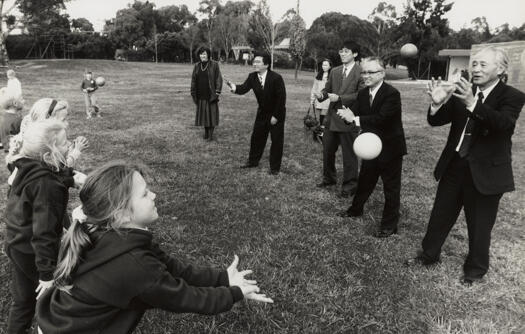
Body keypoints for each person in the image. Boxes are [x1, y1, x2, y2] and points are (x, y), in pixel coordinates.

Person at [36, 161, 273, 333]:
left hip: (62, 322)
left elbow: (174, 269)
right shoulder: (134, 265)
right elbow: (184, 297)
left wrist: (222, 278)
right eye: (145, 194)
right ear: (120, 215)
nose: (154, 195)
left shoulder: (114, 234)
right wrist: (235, 292)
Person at [407, 46, 525, 285]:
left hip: (486, 172)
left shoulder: (512, 96)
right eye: (474, 64)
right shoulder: (465, 90)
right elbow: (436, 120)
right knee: (440, 214)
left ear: (500, 69)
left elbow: (503, 124)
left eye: (483, 64)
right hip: (455, 164)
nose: (476, 69)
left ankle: (475, 270)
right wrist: (437, 104)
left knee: (480, 224)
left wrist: (474, 104)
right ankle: (429, 255)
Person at [4, 119, 75, 333]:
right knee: (53, 300)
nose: (70, 144)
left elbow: (52, 173)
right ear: (47, 156)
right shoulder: (47, 186)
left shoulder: (26, 167)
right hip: (34, 252)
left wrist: (70, 178)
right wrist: (46, 274)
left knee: (23, 299)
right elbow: (44, 233)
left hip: (16, 245)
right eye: (64, 143)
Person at [337, 57, 407, 238]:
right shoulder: (362, 94)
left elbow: (382, 118)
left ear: (382, 73)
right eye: (363, 72)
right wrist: (346, 112)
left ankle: (390, 226)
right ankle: (355, 209)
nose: (365, 76)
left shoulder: (392, 94)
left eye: (370, 72)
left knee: (391, 188)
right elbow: (353, 111)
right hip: (370, 147)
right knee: (366, 181)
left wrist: (356, 119)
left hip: (390, 148)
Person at [314, 40, 364, 198]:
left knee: (349, 155)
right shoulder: (335, 71)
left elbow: (361, 95)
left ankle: (350, 186)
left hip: (348, 118)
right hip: (331, 118)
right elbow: (327, 89)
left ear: (355, 54)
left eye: (346, 51)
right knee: (327, 151)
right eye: (341, 51)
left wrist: (340, 98)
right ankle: (329, 178)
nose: (342, 54)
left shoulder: (361, 72)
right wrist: (321, 95)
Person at [226, 51, 286, 175]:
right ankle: (253, 161)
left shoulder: (276, 78)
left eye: (258, 62)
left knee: (276, 141)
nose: (255, 64)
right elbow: (243, 88)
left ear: (266, 65)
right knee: (256, 138)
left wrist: (275, 116)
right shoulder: (252, 77)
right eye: (254, 62)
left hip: (276, 113)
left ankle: (274, 168)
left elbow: (281, 99)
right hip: (262, 113)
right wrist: (233, 87)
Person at [9, 98, 89, 168]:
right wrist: (76, 151)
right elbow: (63, 167)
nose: (67, 124)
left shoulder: (34, 139)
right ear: (47, 121)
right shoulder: (46, 149)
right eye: (63, 120)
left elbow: (62, 149)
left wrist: (73, 146)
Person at [191, 47, 223, 141]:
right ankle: (206, 132)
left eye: (204, 54)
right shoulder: (197, 65)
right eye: (201, 54)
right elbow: (193, 80)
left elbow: (218, 79)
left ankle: (210, 135)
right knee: (204, 115)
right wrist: (193, 92)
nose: (202, 56)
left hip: (211, 94)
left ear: (208, 55)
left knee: (211, 115)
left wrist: (217, 92)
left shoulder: (214, 65)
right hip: (201, 94)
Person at [310, 59, 332, 140]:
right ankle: (315, 134)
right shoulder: (319, 75)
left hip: (327, 100)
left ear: (330, 66)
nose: (324, 67)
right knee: (317, 119)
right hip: (318, 99)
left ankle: (322, 135)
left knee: (323, 118)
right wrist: (312, 98)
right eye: (323, 65)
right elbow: (314, 88)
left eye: (326, 65)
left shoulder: (332, 76)